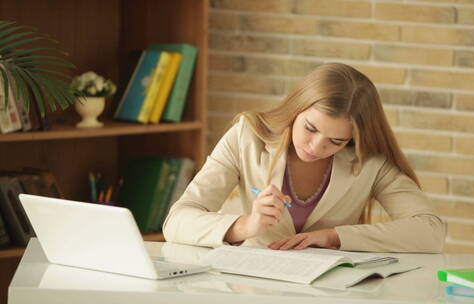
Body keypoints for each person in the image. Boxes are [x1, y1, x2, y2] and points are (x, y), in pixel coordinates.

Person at [163, 63, 446, 253]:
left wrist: (334, 236)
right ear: (296, 109)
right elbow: (177, 221)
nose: (315, 146)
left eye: (336, 141)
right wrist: (246, 225)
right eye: (310, 128)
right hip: (251, 285)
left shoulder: (370, 161)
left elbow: (430, 232)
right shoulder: (247, 136)